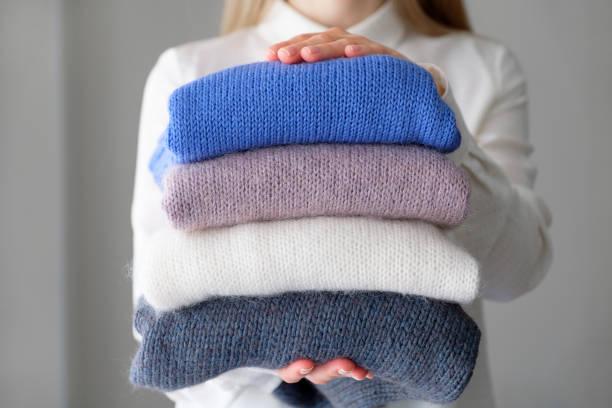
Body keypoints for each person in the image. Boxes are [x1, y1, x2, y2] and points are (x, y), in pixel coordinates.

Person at [131, 0, 552, 406]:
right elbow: (161, 305)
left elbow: (518, 270)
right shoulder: (186, 71)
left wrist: (436, 107)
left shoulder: (482, 66)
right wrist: (271, 358)